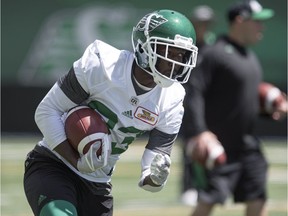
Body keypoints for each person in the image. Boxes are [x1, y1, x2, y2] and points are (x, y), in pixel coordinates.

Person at [23, 9, 198, 216]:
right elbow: (46, 111)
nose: (175, 61)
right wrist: (76, 160)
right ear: (144, 46)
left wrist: (156, 178)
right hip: (54, 164)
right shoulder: (103, 66)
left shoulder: (172, 99)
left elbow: (151, 172)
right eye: (169, 52)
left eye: (182, 55)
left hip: (98, 183)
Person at [182, 1, 287, 216]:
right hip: (221, 146)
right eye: (257, 22)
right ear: (240, 20)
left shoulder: (249, 56)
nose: (262, 27)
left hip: (247, 145)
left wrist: (271, 106)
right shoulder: (215, 53)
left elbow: (244, 100)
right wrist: (201, 132)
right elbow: (194, 92)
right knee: (208, 202)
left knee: (258, 197)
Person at [180, 5, 216, 206]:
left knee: (210, 147)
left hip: (207, 105)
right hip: (186, 104)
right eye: (199, 23)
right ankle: (188, 187)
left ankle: (210, 186)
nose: (203, 27)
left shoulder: (212, 47)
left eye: (206, 23)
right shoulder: (184, 47)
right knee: (189, 148)